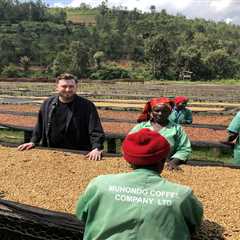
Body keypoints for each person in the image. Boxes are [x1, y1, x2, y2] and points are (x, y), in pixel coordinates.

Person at [76, 128, 203, 240]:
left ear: (128, 160)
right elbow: (194, 226)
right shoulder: (182, 195)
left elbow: (81, 215)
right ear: (164, 159)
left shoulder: (100, 185)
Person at [18, 73, 105, 161]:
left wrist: (96, 148)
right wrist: (33, 141)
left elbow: (95, 129)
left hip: (79, 153)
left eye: (71, 86)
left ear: (76, 87)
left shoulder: (87, 106)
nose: (68, 89)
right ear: (57, 87)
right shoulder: (47, 104)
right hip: (51, 152)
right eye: (64, 86)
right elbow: (40, 126)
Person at [129, 97, 191, 170]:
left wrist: (174, 161)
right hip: (141, 164)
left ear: (170, 112)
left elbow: (184, 148)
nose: (160, 113)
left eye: (165, 111)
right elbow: (129, 143)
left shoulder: (176, 128)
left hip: (167, 164)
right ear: (151, 111)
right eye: (157, 111)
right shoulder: (141, 127)